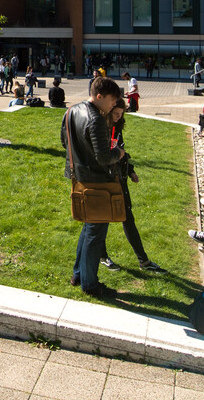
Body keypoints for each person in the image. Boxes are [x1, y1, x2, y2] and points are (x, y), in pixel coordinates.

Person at [61, 76, 124, 296]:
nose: (113, 105)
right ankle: (89, 283)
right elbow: (104, 158)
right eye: (111, 100)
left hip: (78, 177)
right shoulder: (96, 118)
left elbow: (64, 141)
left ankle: (79, 274)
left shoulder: (71, 111)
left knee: (89, 229)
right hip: (95, 182)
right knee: (95, 232)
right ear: (99, 96)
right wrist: (119, 153)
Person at [99, 99, 165, 274]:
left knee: (127, 217)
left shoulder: (117, 127)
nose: (118, 117)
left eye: (121, 114)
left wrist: (130, 171)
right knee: (101, 219)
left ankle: (143, 260)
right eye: (115, 114)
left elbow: (122, 151)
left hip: (119, 178)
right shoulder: (100, 128)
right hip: (105, 180)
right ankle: (102, 255)